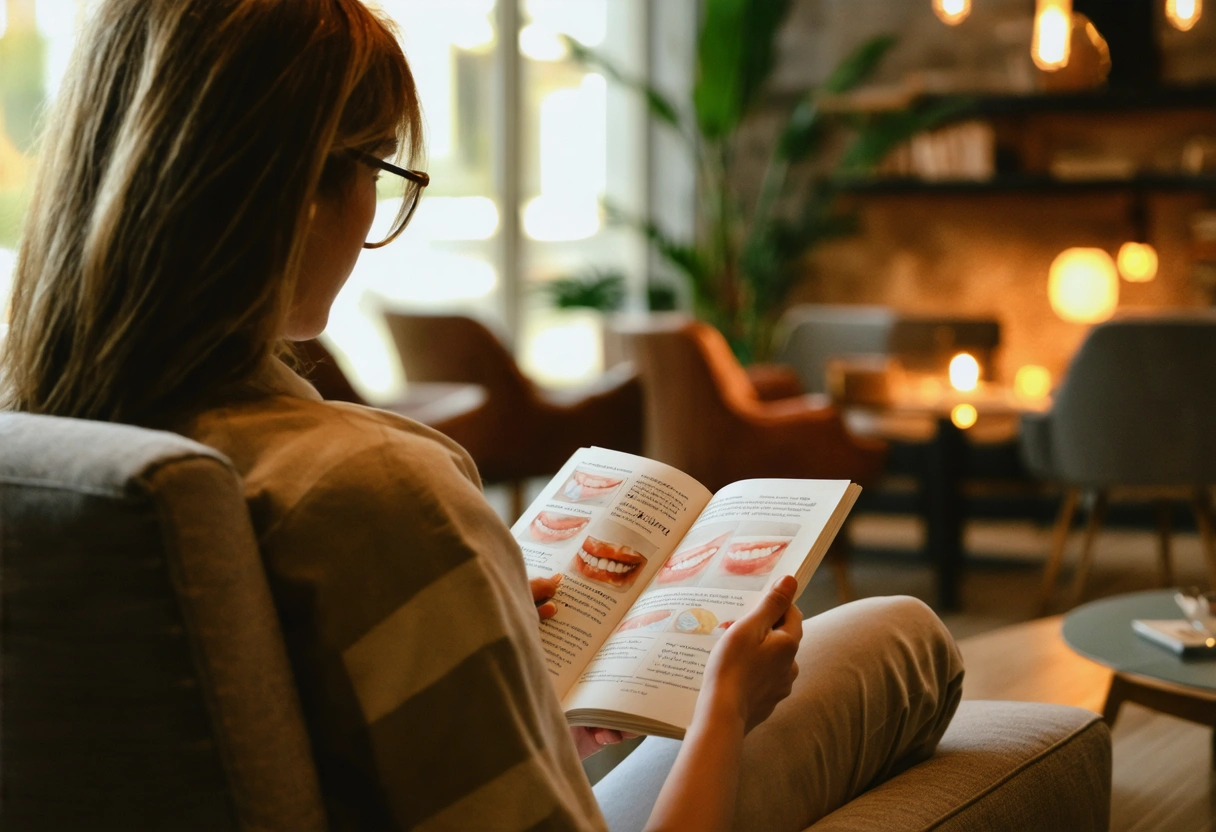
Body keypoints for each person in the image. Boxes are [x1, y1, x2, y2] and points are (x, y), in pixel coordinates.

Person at [0, 1, 964, 830]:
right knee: (901, 635)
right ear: (298, 193)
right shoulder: (372, 489)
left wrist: (495, 650)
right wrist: (724, 706)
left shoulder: (51, 448)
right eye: (378, 170)